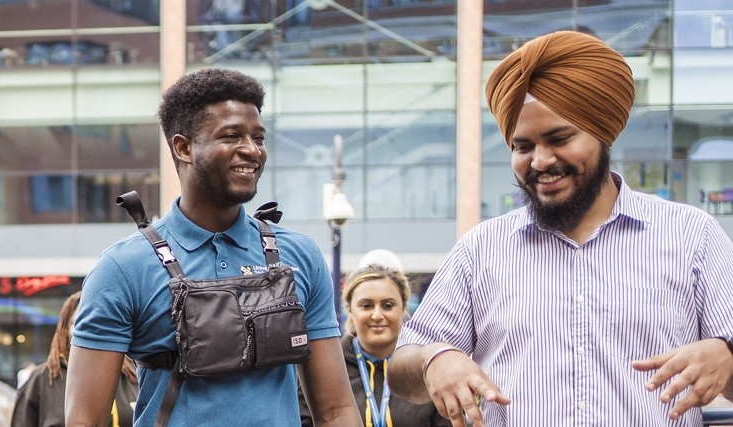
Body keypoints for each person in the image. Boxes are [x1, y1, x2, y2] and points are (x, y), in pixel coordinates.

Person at [388, 31, 733, 426]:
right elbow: (403, 365)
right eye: (523, 147)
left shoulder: (692, 237)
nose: (540, 160)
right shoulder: (480, 250)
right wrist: (436, 360)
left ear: (603, 133)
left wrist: (725, 356)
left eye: (559, 138)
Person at [63, 68, 359, 427]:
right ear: (184, 148)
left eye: (258, 137)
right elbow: (84, 421)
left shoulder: (300, 255)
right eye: (231, 136)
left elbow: (336, 411)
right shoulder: (122, 268)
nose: (252, 150)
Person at [300, 265, 444, 427]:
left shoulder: (424, 368)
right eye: (366, 306)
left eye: (388, 305)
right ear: (349, 309)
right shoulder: (323, 368)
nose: (377, 315)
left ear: (403, 307)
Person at [15, 293, 140, 427]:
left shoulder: (131, 376)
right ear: (65, 329)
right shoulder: (41, 380)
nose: (91, 329)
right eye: (80, 322)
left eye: (100, 321)